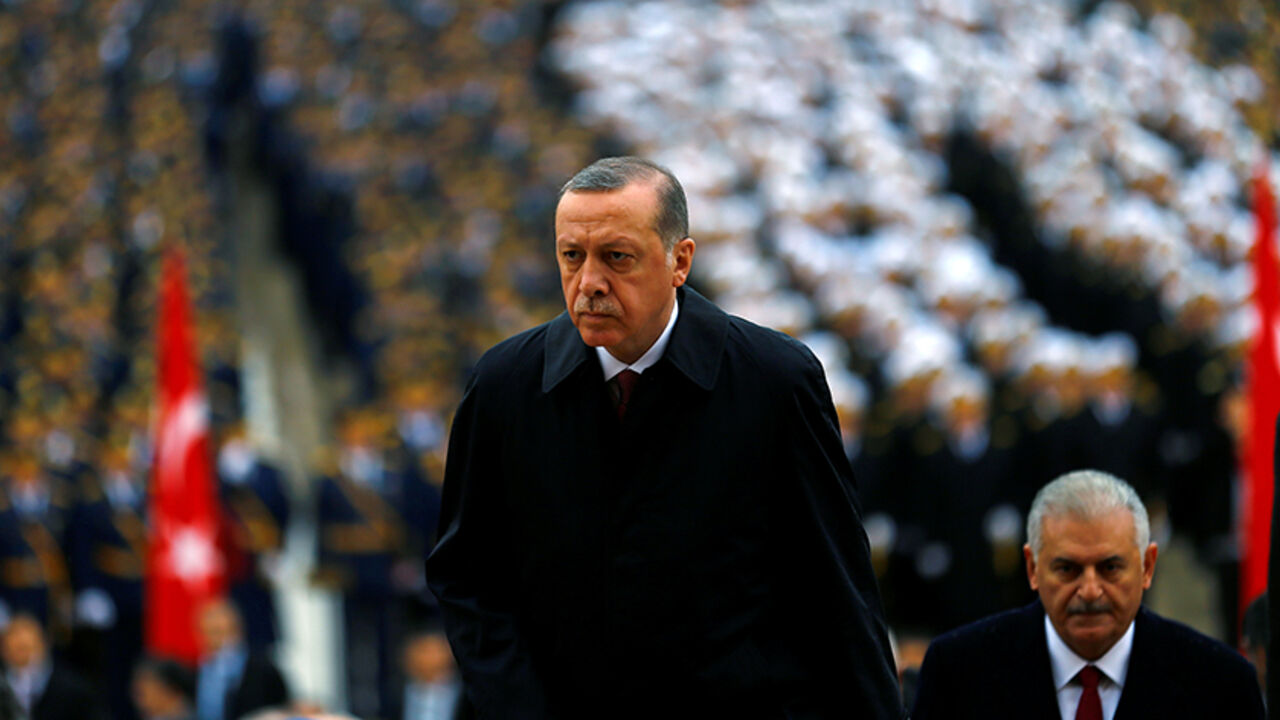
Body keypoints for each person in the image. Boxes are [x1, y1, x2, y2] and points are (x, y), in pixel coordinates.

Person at [426, 157, 903, 717]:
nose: (589, 284)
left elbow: (835, 583)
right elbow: (469, 577)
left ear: (680, 261)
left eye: (617, 258)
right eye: (571, 257)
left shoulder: (773, 380)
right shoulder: (504, 385)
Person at [911, 469, 1264, 719]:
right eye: (1067, 569)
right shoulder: (959, 673)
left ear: (1147, 566)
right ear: (1032, 568)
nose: (1091, 590)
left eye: (1110, 568)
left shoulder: (1219, 683)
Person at [194, 599, 288, 720]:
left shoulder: (263, 669)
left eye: (230, 631)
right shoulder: (197, 672)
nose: (224, 640)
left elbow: (281, 706)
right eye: (216, 632)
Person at [1, 614, 102, 720]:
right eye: (15, 649)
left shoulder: (74, 690)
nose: (23, 657)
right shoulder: (4, 690)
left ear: (43, 645)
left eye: (26, 648)